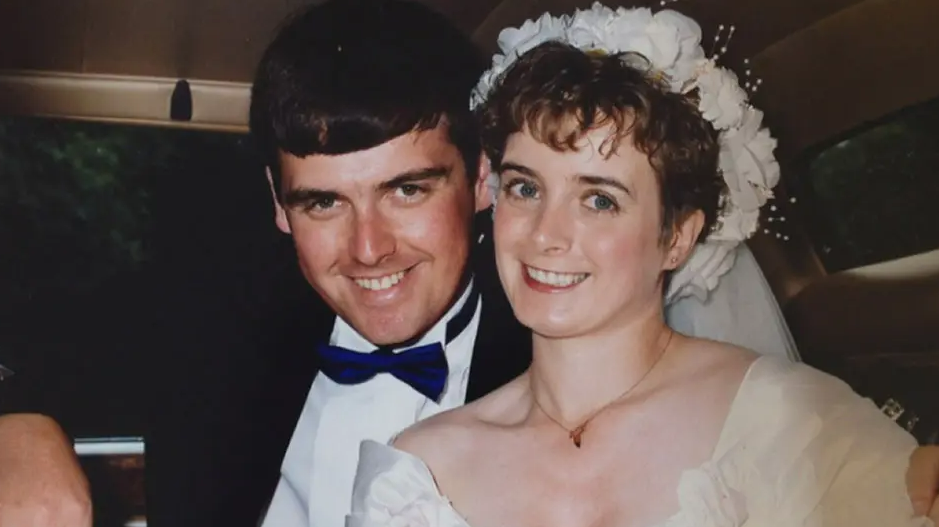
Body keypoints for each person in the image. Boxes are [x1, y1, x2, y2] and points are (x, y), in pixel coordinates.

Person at [1, 1, 938, 526]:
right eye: (323, 201)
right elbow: (46, 327)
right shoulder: (214, 317)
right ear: (276, 210)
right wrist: (18, 420)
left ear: (480, 181)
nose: (368, 249)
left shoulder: (564, 309)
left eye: (408, 189)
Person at [346, 6, 937, 527]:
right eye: (526, 188)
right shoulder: (419, 474)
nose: (545, 233)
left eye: (599, 199)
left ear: (677, 237)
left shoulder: (796, 425)